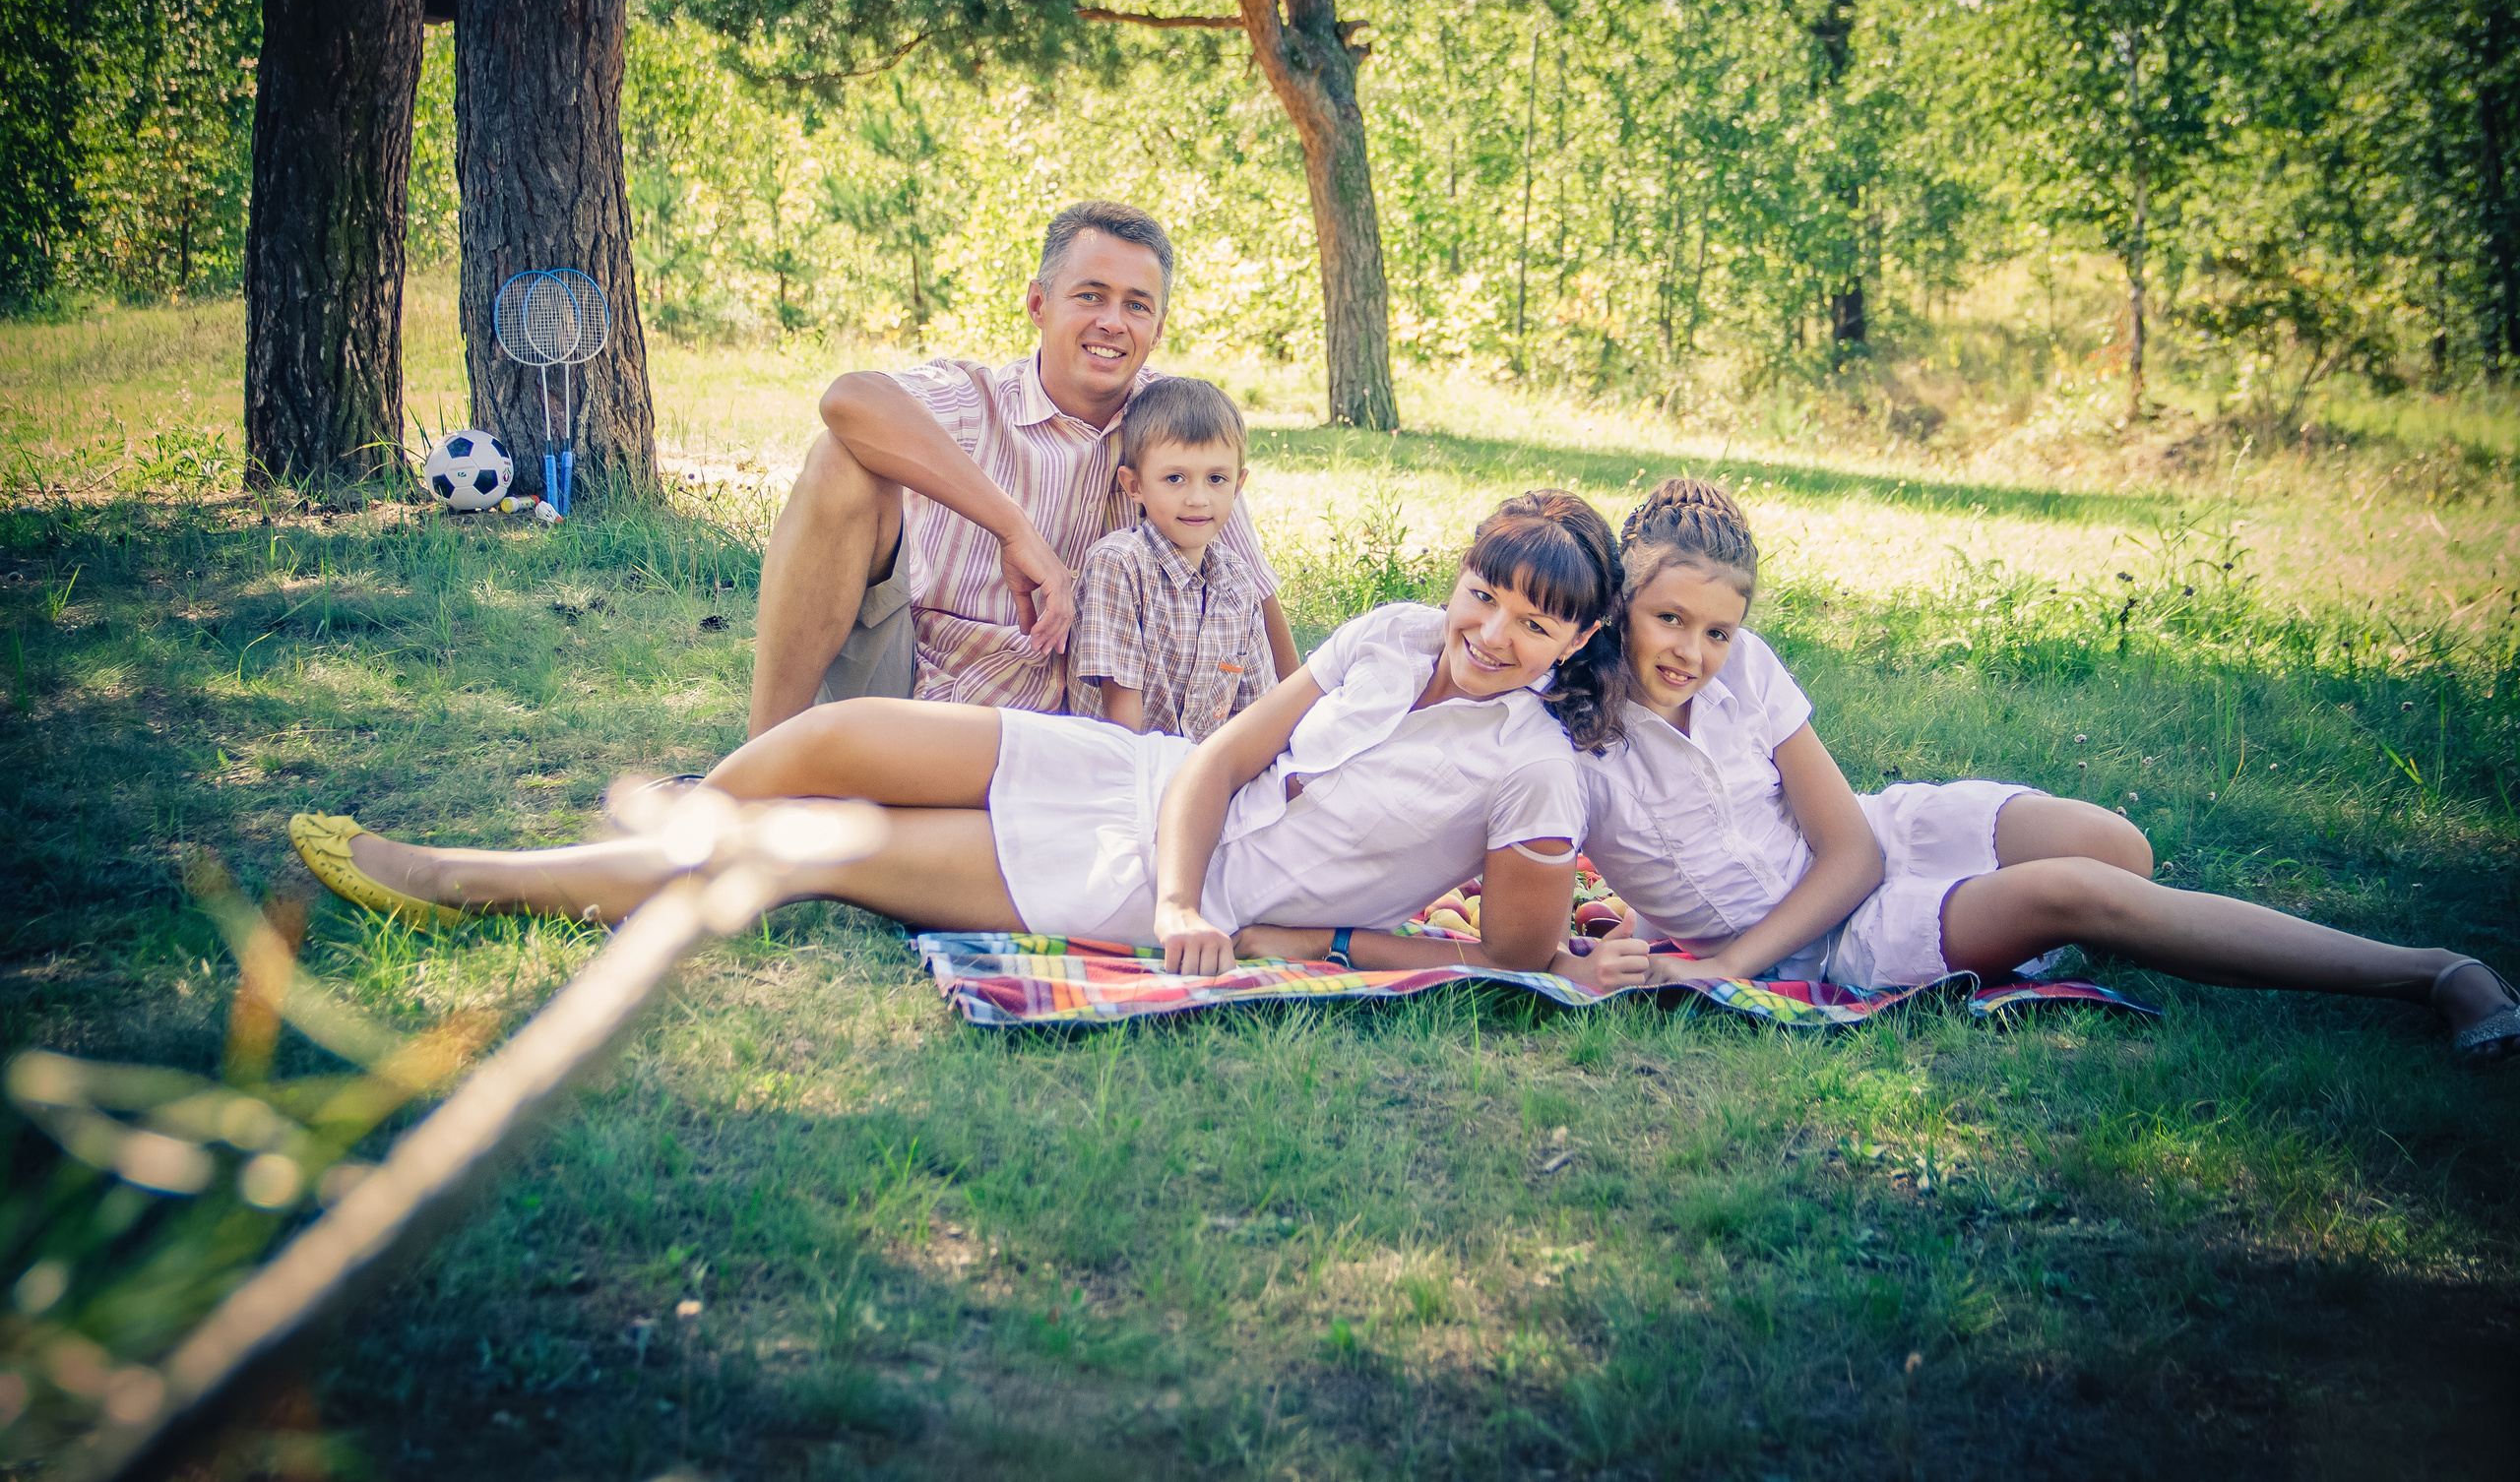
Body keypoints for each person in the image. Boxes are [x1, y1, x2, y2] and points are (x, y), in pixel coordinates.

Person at [288, 493, 1647, 989]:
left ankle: (475, 879)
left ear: (1574, 644)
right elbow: (1221, 759)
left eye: (1537, 622)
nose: (1495, 629)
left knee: (819, 847)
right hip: (1142, 788)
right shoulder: (1395, 630)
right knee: (841, 729)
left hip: (1136, 887)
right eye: (1489, 592)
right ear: (1462, 579)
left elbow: (1511, 957)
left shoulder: (1534, 771)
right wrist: (1184, 875)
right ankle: (642, 843)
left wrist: (1199, 909)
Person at [1573, 477, 2520, 1059]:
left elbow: (1853, 844)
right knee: (2080, 891)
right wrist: (1731, 959)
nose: (1692, 651)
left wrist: (1717, 964)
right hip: (1836, 941)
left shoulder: (1748, 667)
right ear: (1622, 599)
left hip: (1872, 843)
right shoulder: (1574, 731)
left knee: (2118, 848)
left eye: (1718, 628)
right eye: (1669, 619)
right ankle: (2431, 972)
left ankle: (2031, 923)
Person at [744, 199, 1297, 737]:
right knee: (838, 459)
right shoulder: (976, 401)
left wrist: (1298, 739)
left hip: (1079, 726)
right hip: (920, 682)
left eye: (1136, 305)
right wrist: (1014, 529)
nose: (1112, 322)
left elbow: (1248, 585)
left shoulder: (1170, 430)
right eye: (1090, 295)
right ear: (1038, 304)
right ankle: (760, 766)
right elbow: (847, 398)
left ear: (1159, 327)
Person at [1069, 377, 1276, 739]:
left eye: (1216, 478)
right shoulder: (1119, 566)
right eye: (1175, 478)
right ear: (1135, 486)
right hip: (1122, 769)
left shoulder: (1239, 583)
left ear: (1238, 486)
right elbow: (1120, 729)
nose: (1198, 498)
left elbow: (1257, 715)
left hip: (1208, 772)